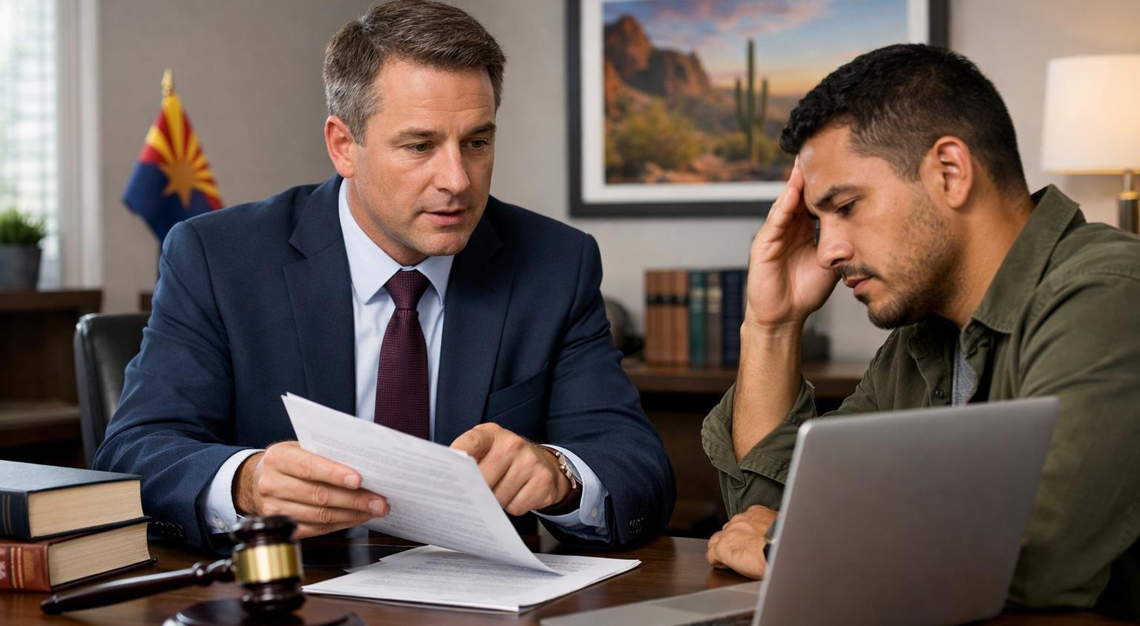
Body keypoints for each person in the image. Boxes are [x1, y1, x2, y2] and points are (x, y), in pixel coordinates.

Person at [94, 0, 674, 552]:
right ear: (344, 146)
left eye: (477, 142)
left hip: (479, 601)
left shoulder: (555, 263)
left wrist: (559, 473)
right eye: (420, 146)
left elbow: (636, 466)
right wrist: (245, 482)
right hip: (289, 594)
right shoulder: (217, 258)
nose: (458, 179)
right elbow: (132, 454)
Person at [701, 43, 1140, 617]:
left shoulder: (1109, 292)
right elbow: (760, 517)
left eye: (847, 206)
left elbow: (1038, 557)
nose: (828, 251)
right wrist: (772, 325)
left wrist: (787, 544)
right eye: (817, 220)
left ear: (949, 172)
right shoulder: (919, 339)